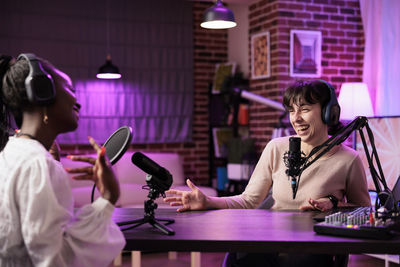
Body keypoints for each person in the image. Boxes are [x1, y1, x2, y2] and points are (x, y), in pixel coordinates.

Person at [164, 80, 371, 266]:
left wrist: (334, 204)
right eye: (291, 111)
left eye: (305, 109)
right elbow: (248, 200)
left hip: (313, 246)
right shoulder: (276, 148)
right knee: (240, 258)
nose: (296, 119)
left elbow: (364, 212)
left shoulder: (348, 159)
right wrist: (208, 201)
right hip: (271, 241)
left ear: (328, 112)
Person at [0, 54, 125, 266]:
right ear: (43, 94)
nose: (77, 102)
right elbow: (56, 260)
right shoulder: (37, 164)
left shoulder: (11, 153)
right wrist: (109, 197)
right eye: (69, 90)